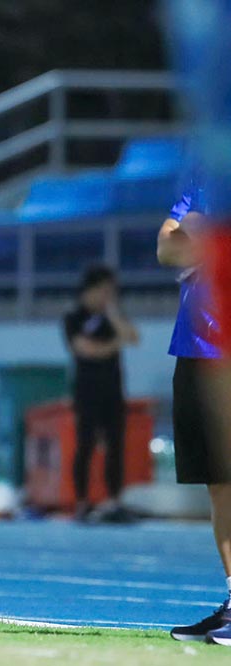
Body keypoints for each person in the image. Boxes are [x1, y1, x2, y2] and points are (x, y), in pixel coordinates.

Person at [159, 171, 231, 642]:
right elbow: (167, 247)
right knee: (220, 483)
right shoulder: (208, 177)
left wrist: (200, 233)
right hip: (197, 348)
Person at [62, 265, 140, 523]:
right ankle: (82, 502)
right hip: (87, 391)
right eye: (104, 291)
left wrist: (114, 314)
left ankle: (114, 501)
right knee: (85, 444)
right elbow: (86, 350)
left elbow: (134, 337)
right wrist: (116, 343)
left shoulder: (112, 317)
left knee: (116, 445)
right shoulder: (73, 318)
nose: (108, 296)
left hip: (113, 390)